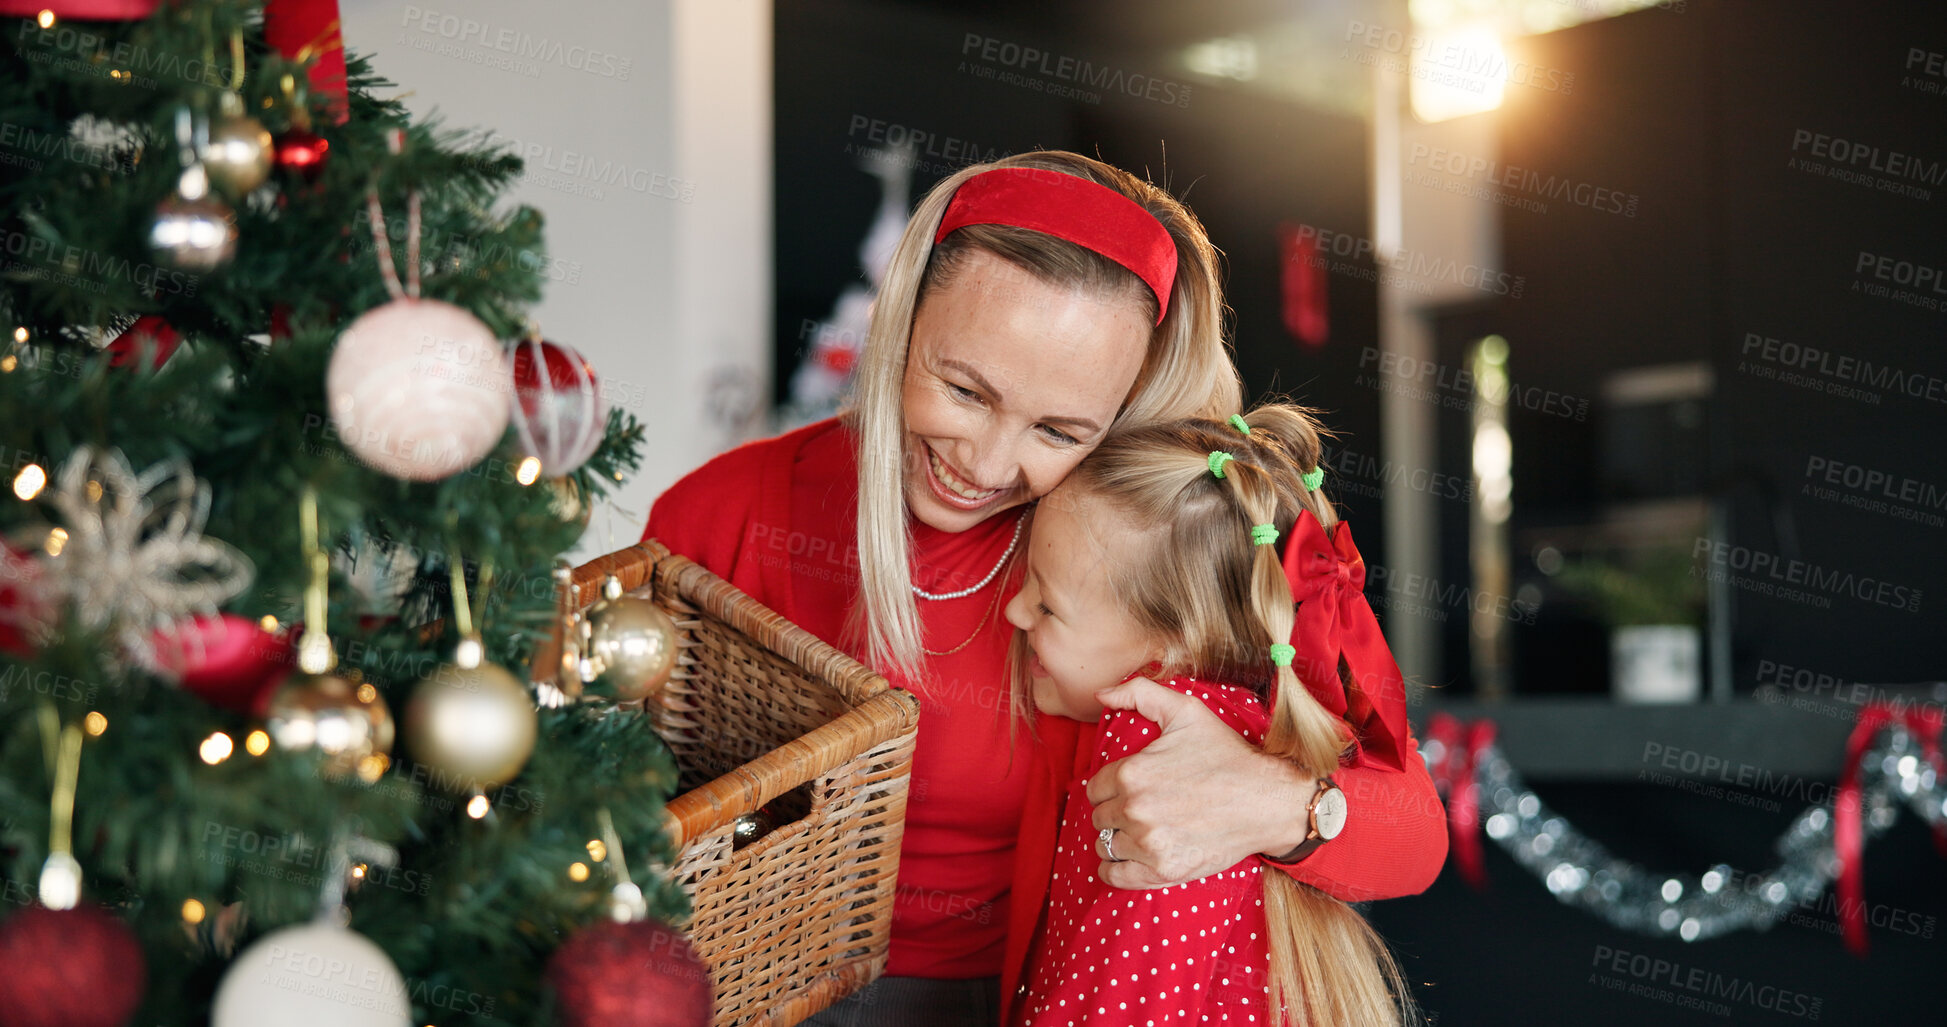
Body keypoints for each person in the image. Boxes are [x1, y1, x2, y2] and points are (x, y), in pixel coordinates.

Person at [642, 151, 1446, 1025]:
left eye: (1060, 430)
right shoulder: (723, 513)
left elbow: (1414, 836)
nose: (983, 465)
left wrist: (1278, 804)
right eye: (962, 389)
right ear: (898, 320)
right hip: (743, 987)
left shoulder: (1160, 537)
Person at [1005, 404, 1415, 1026]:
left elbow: (1115, 1009)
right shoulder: (1235, 715)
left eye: (1048, 605)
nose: (1015, 614)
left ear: (1170, 649)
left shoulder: (1156, 744)